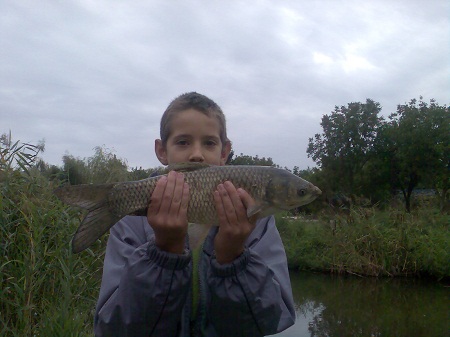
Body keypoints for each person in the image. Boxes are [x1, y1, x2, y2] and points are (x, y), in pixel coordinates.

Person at [94, 92, 295, 337]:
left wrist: (233, 257)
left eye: (209, 143)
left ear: (225, 152)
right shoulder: (130, 221)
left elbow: (269, 321)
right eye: (182, 142)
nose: (196, 154)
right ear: (161, 150)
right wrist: (165, 251)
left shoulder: (257, 220)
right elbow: (113, 327)